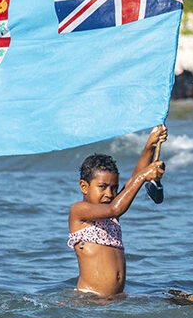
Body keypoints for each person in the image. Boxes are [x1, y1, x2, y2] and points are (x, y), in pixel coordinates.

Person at [68, 125, 166, 296]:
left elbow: (132, 181)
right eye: (102, 187)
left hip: (115, 299)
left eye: (114, 188)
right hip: (89, 300)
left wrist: (150, 145)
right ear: (84, 187)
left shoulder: (111, 214)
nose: (109, 193)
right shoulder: (79, 211)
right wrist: (144, 176)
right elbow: (116, 209)